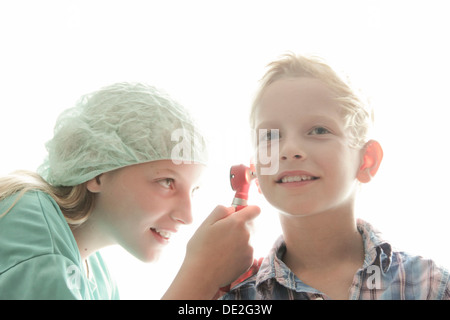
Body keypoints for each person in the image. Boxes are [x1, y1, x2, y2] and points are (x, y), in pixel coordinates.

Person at [219, 53, 450, 300]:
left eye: (318, 130)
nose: (289, 150)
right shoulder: (238, 299)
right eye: (270, 136)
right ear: (256, 169)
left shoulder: (429, 285)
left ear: (366, 160)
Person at [0, 82, 260, 299]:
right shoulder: (38, 244)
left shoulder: (97, 276)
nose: (188, 216)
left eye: (193, 190)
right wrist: (201, 275)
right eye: (167, 182)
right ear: (96, 170)